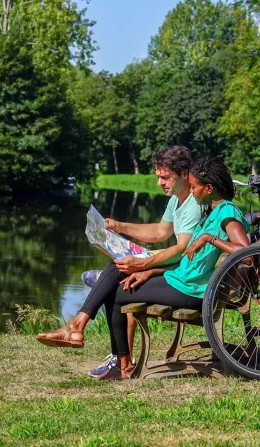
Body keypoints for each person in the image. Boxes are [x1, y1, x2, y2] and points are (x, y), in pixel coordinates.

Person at [38, 156, 249, 380]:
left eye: (195, 187)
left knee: (117, 292)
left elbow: (246, 254)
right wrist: (150, 271)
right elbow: (183, 257)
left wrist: (208, 238)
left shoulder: (227, 212)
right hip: (181, 281)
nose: (192, 191)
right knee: (117, 279)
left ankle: (112, 356)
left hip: (192, 292)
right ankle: (90, 338)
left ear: (208, 188)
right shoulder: (213, 212)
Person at [83, 145, 203, 378]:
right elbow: (160, 232)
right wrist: (120, 227)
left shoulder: (193, 205)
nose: (160, 182)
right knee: (119, 275)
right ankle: (118, 358)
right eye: (158, 177)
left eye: (165, 177)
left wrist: (144, 265)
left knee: (119, 283)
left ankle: (118, 358)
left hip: (185, 277)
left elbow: (182, 249)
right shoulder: (177, 200)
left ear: (184, 173)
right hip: (178, 270)